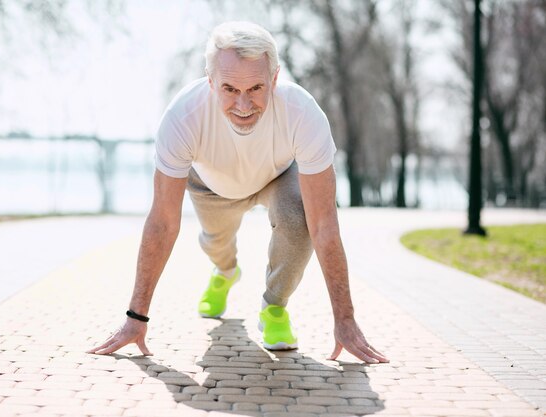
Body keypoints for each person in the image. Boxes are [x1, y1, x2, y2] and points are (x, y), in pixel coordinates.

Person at [88, 21, 388, 364]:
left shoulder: (303, 113)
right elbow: (162, 221)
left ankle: (274, 309)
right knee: (217, 244)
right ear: (211, 80)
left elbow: (324, 225)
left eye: (256, 87)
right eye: (229, 88)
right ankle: (226, 273)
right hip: (212, 187)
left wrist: (345, 321)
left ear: (275, 78)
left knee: (300, 218)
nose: (243, 105)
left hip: (277, 176)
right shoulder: (182, 117)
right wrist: (135, 317)